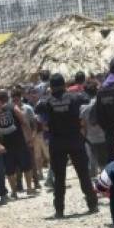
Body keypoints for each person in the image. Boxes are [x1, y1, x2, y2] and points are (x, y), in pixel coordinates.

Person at [35, 73, 99, 218]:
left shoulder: (47, 101)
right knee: (83, 174)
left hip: (57, 143)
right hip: (75, 140)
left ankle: (59, 209)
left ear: (51, 87)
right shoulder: (76, 98)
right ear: (64, 84)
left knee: (59, 178)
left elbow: (37, 109)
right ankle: (92, 204)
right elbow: (87, 98)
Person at [0, 90, 35, 198]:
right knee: (26, 166)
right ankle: (29, 188)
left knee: (9, 169)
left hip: (6, 144)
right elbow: (24, 122)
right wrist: (30, 137)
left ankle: (14, 192)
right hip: (19, 141)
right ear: (7, 97)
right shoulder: (14, 107)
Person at [13, 87, 42, 190]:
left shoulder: (27, 108)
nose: (16, 101)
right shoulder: (12, 110)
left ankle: (36, 181)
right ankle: (19, 184)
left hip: (28, 138)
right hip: (17, 140)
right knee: (17, 163)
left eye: (17, 99)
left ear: (20, 98)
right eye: (14, 100)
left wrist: (33, 136)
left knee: (31, 161)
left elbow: (34, 123)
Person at [80, 81, 108, 176]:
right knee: (104, 163)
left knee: (94, 162)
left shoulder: (83, 108)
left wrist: (84, 139)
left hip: (90, 139)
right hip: (104, 137)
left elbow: (83, 127)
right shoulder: (103, 103)